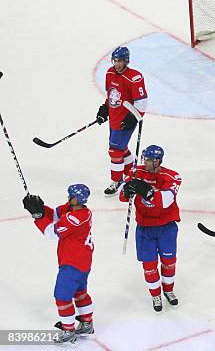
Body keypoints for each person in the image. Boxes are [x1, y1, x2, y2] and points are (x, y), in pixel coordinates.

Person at [23, 185, 94, 344]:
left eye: (70, 195)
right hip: (83, 261)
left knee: (62, 296)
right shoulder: (77, 210)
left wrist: (37, 215)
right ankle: (87, 323)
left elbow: (51, 232)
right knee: (80, 292)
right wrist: (41, 207)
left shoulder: (75, 218)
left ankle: (68, 331)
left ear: (77, 199)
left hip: (72, 263)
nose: (68, 197)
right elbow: (54, 214)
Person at [120, 145, 182, 311]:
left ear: (157, 161)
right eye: (144, 159)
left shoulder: (172, 176)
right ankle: (156, 295)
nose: (144, 162)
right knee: (149, 266)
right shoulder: (135, 172)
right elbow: (122, 197)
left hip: (166, 228)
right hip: (145, 229)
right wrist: (127, 191)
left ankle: (168, 290)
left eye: (148, 159)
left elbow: (166, 200)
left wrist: (146, 191)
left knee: (169, 263)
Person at [96, 46, 148, 195]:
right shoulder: (110, 73)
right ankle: (131, 173)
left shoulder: (134, 77)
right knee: (121, 148)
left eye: (120, 61)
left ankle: (117, 180)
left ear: (127, 61)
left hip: (126, 120)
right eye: (115, 61)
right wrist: (105, 109)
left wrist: (133, 118)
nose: (117, 64)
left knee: (115, 151)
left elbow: (142, 102)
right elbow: (111, 95)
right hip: (114, 117)